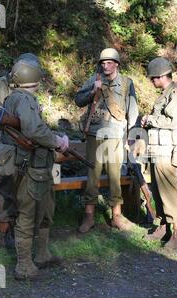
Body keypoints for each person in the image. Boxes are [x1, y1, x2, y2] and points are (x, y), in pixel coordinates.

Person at [1, 58, 69, 280]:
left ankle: (41, 255)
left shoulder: (13, 98)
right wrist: (57, 141)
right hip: (30, 168)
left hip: (32, 167)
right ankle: (24, 267)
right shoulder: (25, 100)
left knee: (44, 210)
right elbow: (34, 130)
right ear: (35, 79)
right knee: (28, 214)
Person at [75, 48, 138, 233]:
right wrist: (92, 91)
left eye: (109, 62)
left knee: (114, 177)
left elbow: (132, 110)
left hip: (116, 134)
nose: (106, 66)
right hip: (95, 133)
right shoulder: (94, 79)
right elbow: (78, 100)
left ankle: (116, 216)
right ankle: (89, 216)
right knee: (92, 176)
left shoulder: (126, 83)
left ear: (117, 64)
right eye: (103, 63)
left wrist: (131, 135)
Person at [0, 53, 41, 249]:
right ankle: (2, 232)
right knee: (5, 188)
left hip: (22, 145)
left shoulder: (27, 86)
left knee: (22, 189)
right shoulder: (0, 85)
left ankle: (20, 229)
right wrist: (22, 122)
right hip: (4, 144)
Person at [141, 57, 177, 250]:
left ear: (161, 76)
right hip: (157, 149)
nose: (152, 81)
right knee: (159, 192)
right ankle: (163, 226)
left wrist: (150, 120)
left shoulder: (176, 95)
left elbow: (174, 122)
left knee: (169, 191)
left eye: (153, 78)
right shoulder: (165, 94)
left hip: (167, 150)